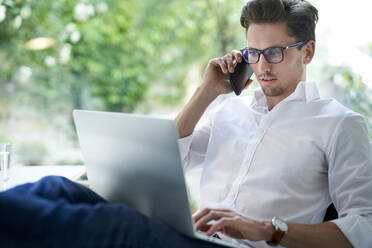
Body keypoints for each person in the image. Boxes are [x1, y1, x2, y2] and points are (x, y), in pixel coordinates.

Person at [175, 0, 372, 247]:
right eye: (253, 53)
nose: (262, 67)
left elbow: (365, 227)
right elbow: (167, 161)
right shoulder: (229, 111)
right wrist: (207, 91)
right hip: (191, 239)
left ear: (308, 52)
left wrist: (267, 229)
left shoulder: (340, 124)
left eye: (274, 52)